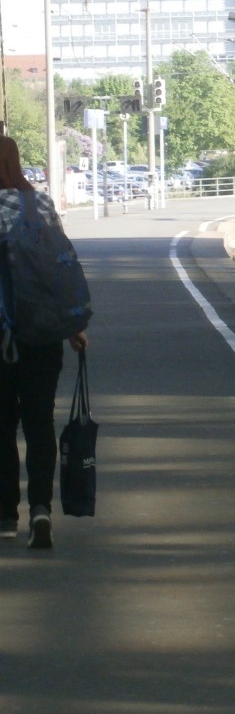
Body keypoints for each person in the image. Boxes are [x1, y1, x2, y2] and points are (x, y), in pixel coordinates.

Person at [0, 136, 88, 549]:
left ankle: (4, 514)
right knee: (39, 423)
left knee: (2, 427)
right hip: (42, 335)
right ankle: (40, 509)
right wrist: (74, 326)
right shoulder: (42, 206)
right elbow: (61, 269)